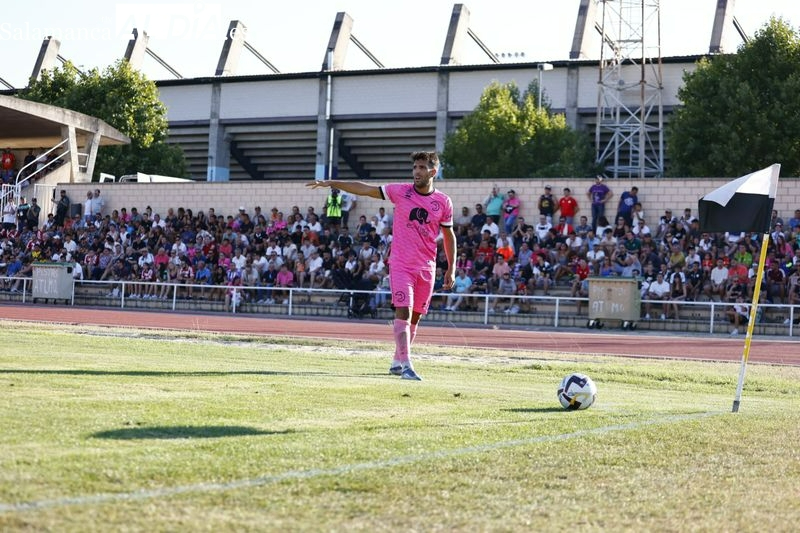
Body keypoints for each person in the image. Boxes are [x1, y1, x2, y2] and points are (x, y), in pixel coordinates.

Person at [306, 151, 456, 381]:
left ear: (433, 172)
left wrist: (451, 268)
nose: (416, 171)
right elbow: (365, 188)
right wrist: (332, 183)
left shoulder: (443, 202)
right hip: (401, 264)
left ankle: (397, 361)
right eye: (415, 167)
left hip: (427, 267)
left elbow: (449, 235)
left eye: (422, 167)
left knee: (416, 317)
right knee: (403, 310)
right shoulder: (401, 191)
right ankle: (406, 364)